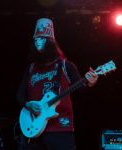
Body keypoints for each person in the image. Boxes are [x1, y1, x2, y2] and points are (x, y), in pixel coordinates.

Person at [16, 18, 98, 150]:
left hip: (60, 128)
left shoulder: (66, 66)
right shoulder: (31, 68)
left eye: (42, 38)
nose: (38, 42)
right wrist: (28, 104)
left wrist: (92, 82)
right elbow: (19, 96)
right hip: (33, 128)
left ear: (51, 42)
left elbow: (83, 90)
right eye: (36, 39)